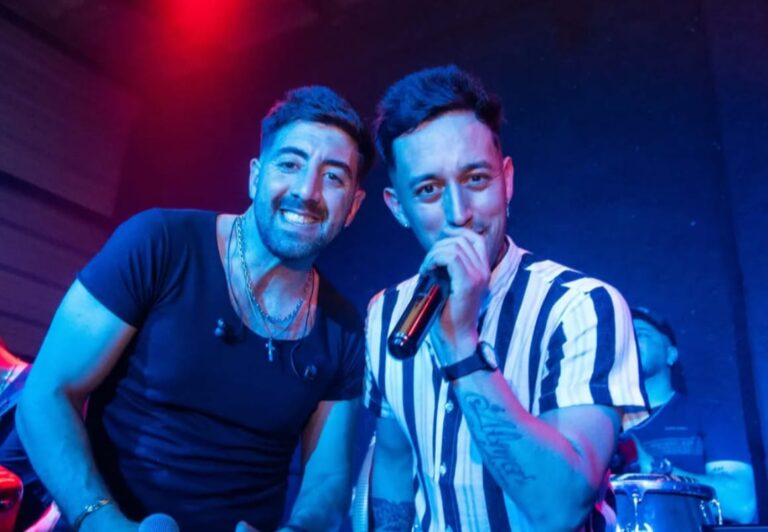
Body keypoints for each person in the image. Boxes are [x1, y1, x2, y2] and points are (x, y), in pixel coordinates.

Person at [15, 85, 374, 532]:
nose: (307, 190)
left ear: (353, 206)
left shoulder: (343, 328)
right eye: (290, 164)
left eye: (334, 177)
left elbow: (328, 480)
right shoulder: (159, 243)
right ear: (255, 176)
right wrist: (101, 520)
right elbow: (46, 395)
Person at [362, 65, 647, 531]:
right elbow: (394, 463)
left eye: (476, 179)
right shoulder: (387, 314)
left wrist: (461, 347)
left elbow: (560, 509)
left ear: (507, 180)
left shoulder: (580, 307)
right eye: (428, 190)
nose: (459, 213)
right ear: (399, 208)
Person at [620, 306, 757, 524]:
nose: (629, 342)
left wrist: (651, 468)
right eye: (624, 337)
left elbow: (742, 504)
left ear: (670, 355)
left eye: (641, 334)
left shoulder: (707, 414)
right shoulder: (598, 423)